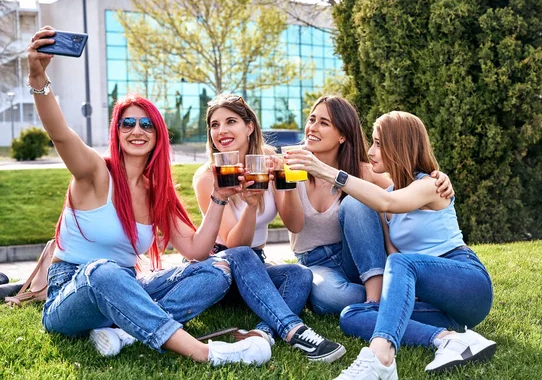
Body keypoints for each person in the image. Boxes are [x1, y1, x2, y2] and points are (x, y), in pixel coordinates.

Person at [28, 26, 271, 366]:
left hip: (126, 286)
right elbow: (60, 133)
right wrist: (38, 76)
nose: (137, 130)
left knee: (216, 269)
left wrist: (218, 198)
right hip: (71, 294)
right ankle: (206, 353)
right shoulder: (96, 173)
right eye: (127, 123)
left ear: (158, 135)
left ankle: (125, 330)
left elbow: (197, 250)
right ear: (117, 131)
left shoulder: (157, 192)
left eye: (146, 124)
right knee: (103, 271)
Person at [286, 111, 496, 378]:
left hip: (466, 285)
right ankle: (448, 339)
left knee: (400, 263)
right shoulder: (387, 196)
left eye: (378, 143)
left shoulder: (431, 185)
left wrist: (323, 170)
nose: (371, 150)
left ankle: (381, 358)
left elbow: (390, 205)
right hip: (431, 303)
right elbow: (391, 247)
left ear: (400, 147)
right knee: (352, 315)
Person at [193, 94, 345, 363]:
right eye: (215, 125)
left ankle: (261, 335)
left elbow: (295, 224)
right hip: (221, 269)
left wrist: (284, 185)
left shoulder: (266, 160)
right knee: (243, 255)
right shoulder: (208, 177)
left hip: (256, 268)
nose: (222, 131)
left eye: (231, 121)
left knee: (299, 274)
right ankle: (294, 330)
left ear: (249, 126)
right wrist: (251, 206)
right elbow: (234, 246)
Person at [276, 96, 454, 314]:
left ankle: (373, 301)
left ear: (342, 135)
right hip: (316, 263)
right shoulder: (290, 167)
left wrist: (438, 178)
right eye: (311, 120)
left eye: (324, 123)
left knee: (354, 203)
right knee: (331, 296)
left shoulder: (363, 172)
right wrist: (289, 183)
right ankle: (395, 296)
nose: (312, 127)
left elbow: (402, 192)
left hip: (355, 255)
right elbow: (294, 226)